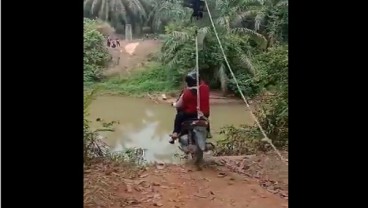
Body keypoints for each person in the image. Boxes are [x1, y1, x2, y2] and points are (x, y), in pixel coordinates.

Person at [169, 71, 210, 144]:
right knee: (206, 119)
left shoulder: (186, 92)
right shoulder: (205, 88)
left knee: (179, 116)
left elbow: (179, 105)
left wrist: (174, 104)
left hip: (190, 115)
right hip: (204, 114)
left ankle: (175, 133)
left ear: (188, 82)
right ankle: (208, 132)